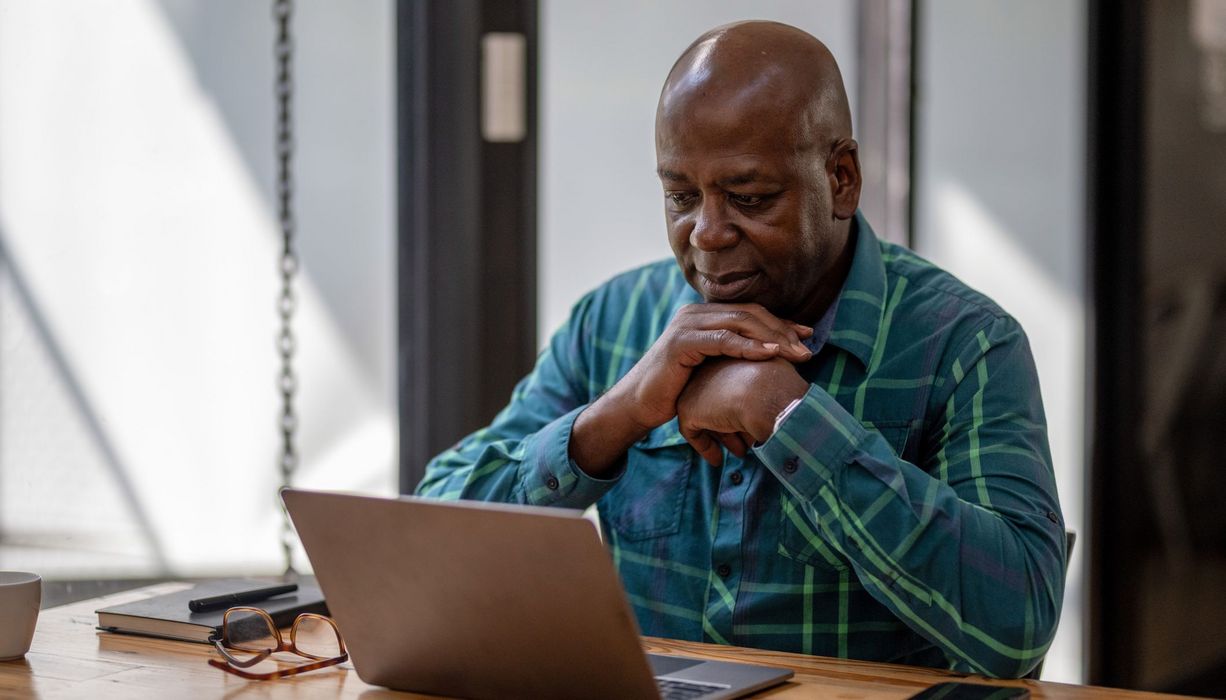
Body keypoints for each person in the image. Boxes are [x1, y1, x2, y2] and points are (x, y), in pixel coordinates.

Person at [417, 20, 1065, 679]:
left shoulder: (964, 343)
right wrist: (619, 413)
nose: (706, 234)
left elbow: (1016, 627)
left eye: (750, 198)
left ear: (842, 179)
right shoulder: (612, 322)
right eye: (681, 197)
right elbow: (424, 543)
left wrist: (788, 416)